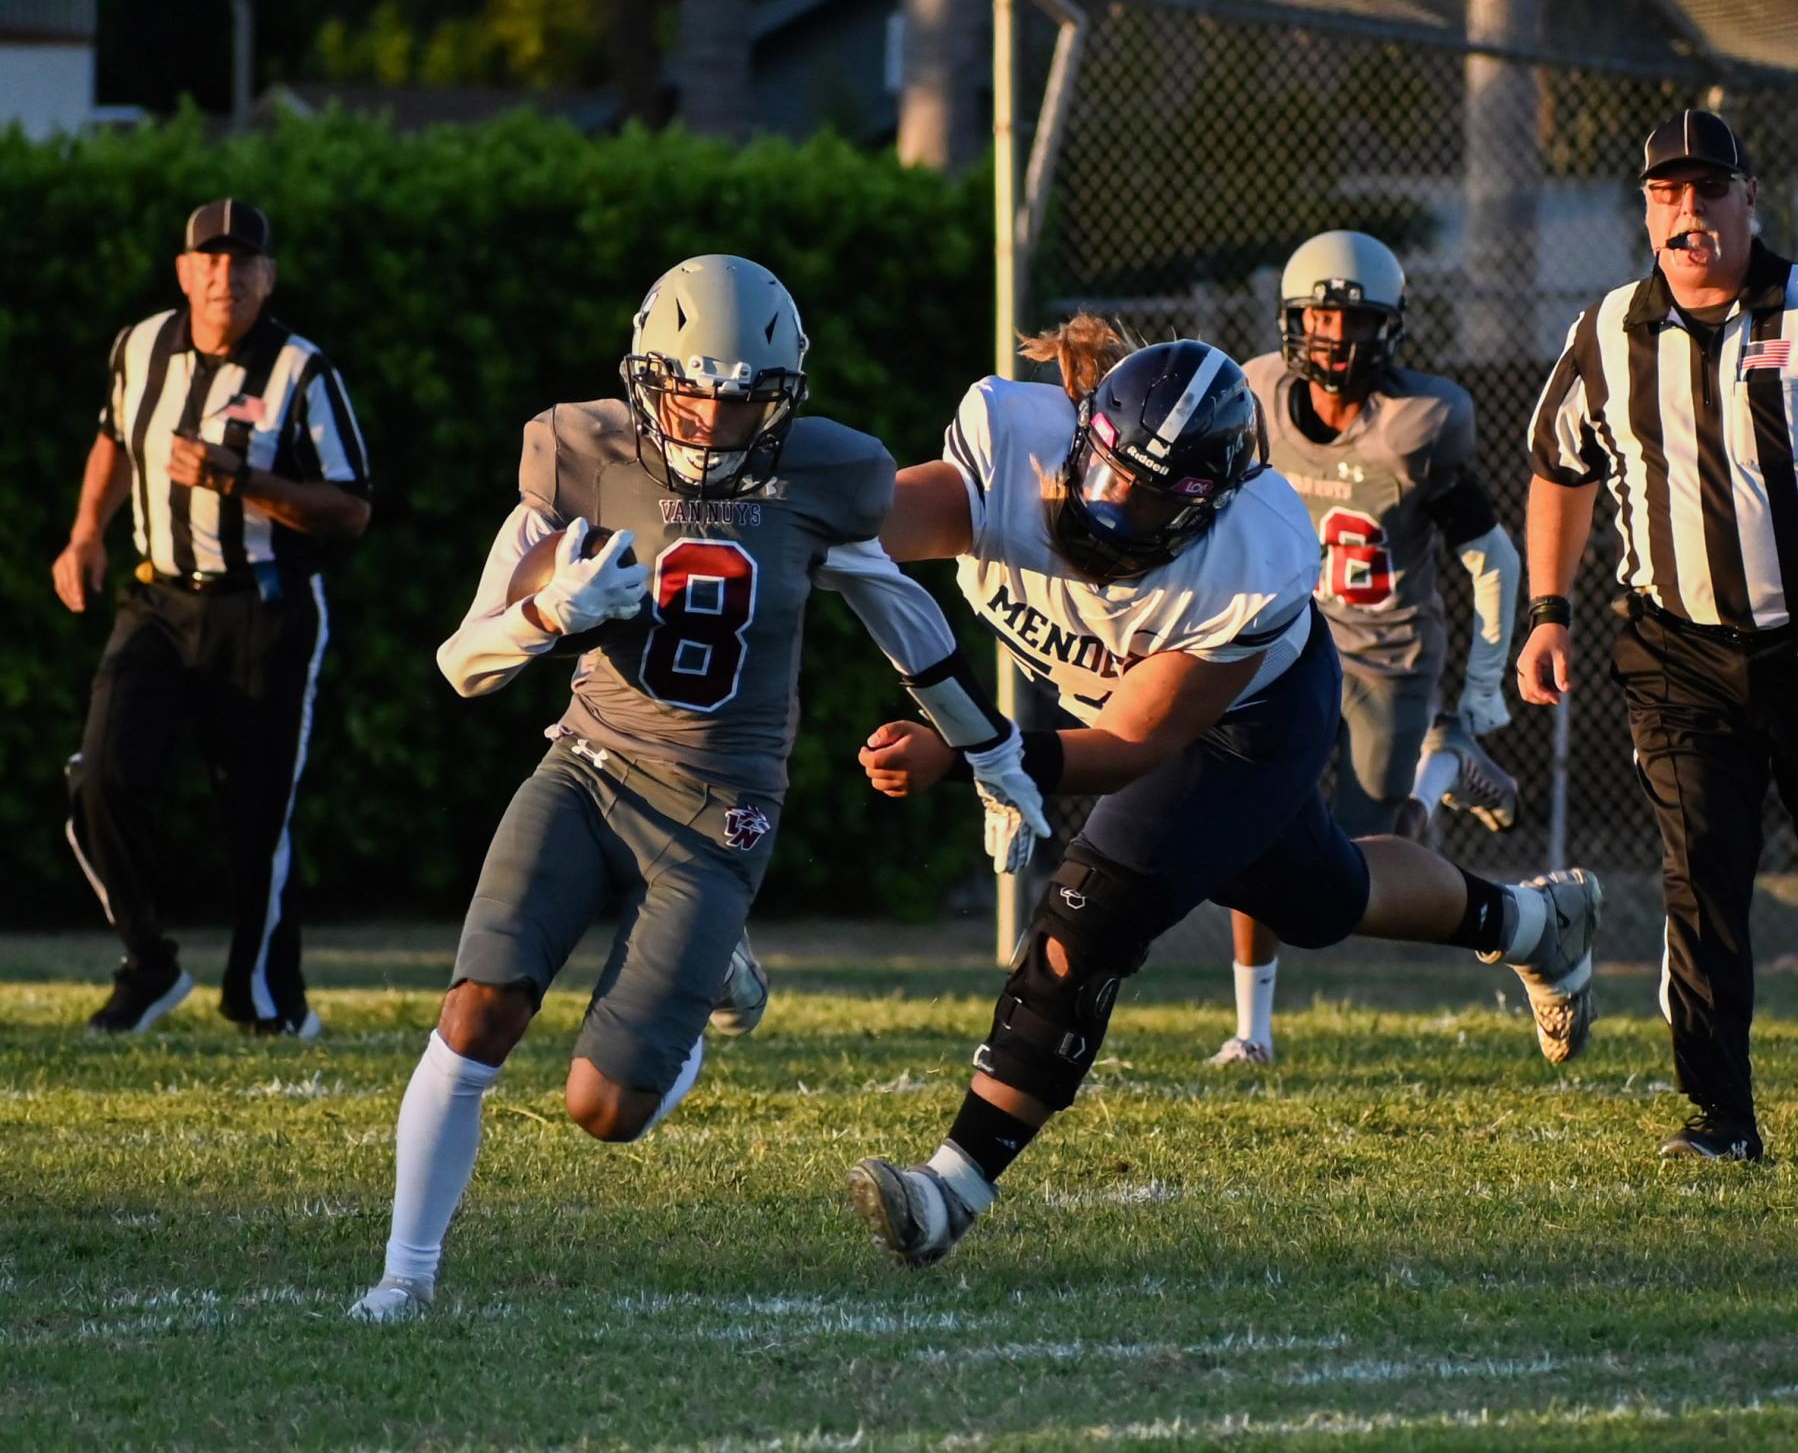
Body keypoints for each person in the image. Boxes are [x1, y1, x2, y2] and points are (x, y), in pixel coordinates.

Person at [348, 254, 1046, 1320]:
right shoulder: (578, 456)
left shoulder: (819, 478)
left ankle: (711, 975)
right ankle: (404, 1277)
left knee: (605, 1108)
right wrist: (550, 618)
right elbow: (460, 662)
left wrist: (992, 754)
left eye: (742, 398)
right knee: (478, 1008)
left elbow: (902, 617)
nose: (715, 421)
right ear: (644, 374)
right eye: (693, 389)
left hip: (719, 805)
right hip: (585, 764)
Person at [843, 321, 1602, 1268]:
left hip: (1250, 721)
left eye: (1155, 498)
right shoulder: (1010, 450)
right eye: (1111, 473)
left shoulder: (1245, 562)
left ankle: (949, 1188)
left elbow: (1135, 743)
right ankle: (1532, 923)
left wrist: (969, 756)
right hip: (1135, 713)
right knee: (1321, 896)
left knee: (1092, 911)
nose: (1117, 508)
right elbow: (856, 529)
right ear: (1083, 436)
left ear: (1212, 503)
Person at [1519, 110, 1798, 1162]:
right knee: (1700, 873)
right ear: (1646, 210)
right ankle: (1721, 1119)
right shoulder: (1607, 331)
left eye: (1710, 190)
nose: (1689, 211)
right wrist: (1548, 610)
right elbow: (1558, 468)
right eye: (1668, 194)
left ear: (1751, 199)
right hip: (1676, 651)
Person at [53, 198, 371, 1037]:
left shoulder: (301, 371)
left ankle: (265, 999)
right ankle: (149, 960)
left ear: (267, 278)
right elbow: (113, 438)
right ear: (185, 272)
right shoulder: (141, 346)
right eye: (210, 260)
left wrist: (242, 481)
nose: (225, 276)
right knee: (100, 779)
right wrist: (87, 532)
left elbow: (350, 508)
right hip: (155, 598)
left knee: (255, 814)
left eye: (243, 262)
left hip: (263, 606)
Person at [1211, 230, 1524, 1067]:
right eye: (1317, 317)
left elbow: (1491, 558)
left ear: (1387, 330)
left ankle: (1449, 756)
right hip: (1285, 642)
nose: (1333, 338)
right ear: (1290, 320)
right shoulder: (1257, 397)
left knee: (1371, 867)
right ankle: (1252, 1031)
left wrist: (1483, 691)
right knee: (1256, 825)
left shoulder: (1416, 426)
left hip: (1386, 655)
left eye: (1353, 322)